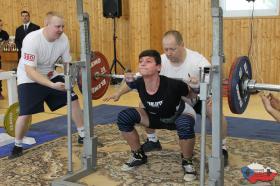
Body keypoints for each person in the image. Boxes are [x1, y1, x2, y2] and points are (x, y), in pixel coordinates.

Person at [104, 49, 199, 181]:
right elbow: (130, 85)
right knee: (124, 117)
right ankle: (138, 155)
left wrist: (195, 86)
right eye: (141, 61)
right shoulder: (139, 82)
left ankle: (187, 161)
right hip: (156, 117)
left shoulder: (173, 84)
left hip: (178, 115)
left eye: (148, 61)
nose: (143, 64)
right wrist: (118, 93)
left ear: (158, 67)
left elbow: (193, 96)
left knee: (185, 124)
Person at [140, 30, 229, 166]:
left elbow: (213, 79)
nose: (169, 53)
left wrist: (213, 94)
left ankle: (221, 148)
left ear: (182, 45)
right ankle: (153, 141)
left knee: (214, 110)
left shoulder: (198, 61)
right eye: (166, 49)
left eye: (172, 49)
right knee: (142, 104)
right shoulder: (161, 61)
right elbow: (140, 77)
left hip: (195, 97)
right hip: (170, 99)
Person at [8, 11, 85, 159]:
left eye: (63, 26)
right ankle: (17, 145)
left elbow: (67, 63)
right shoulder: (32, 39)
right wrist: (51, 85)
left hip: (49, 73)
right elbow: (30, 70)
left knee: (73, 98)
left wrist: (71, 79)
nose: (61, 30)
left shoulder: (63, 39)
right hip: (28, 77)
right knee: (25, 113)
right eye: (57, 26)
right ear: (46, 24)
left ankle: (82, 134)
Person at [0, 19, 9, 100]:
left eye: (1, 25)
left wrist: (2, 47)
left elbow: (6, 41)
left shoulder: (4, 33)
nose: (0, 27)